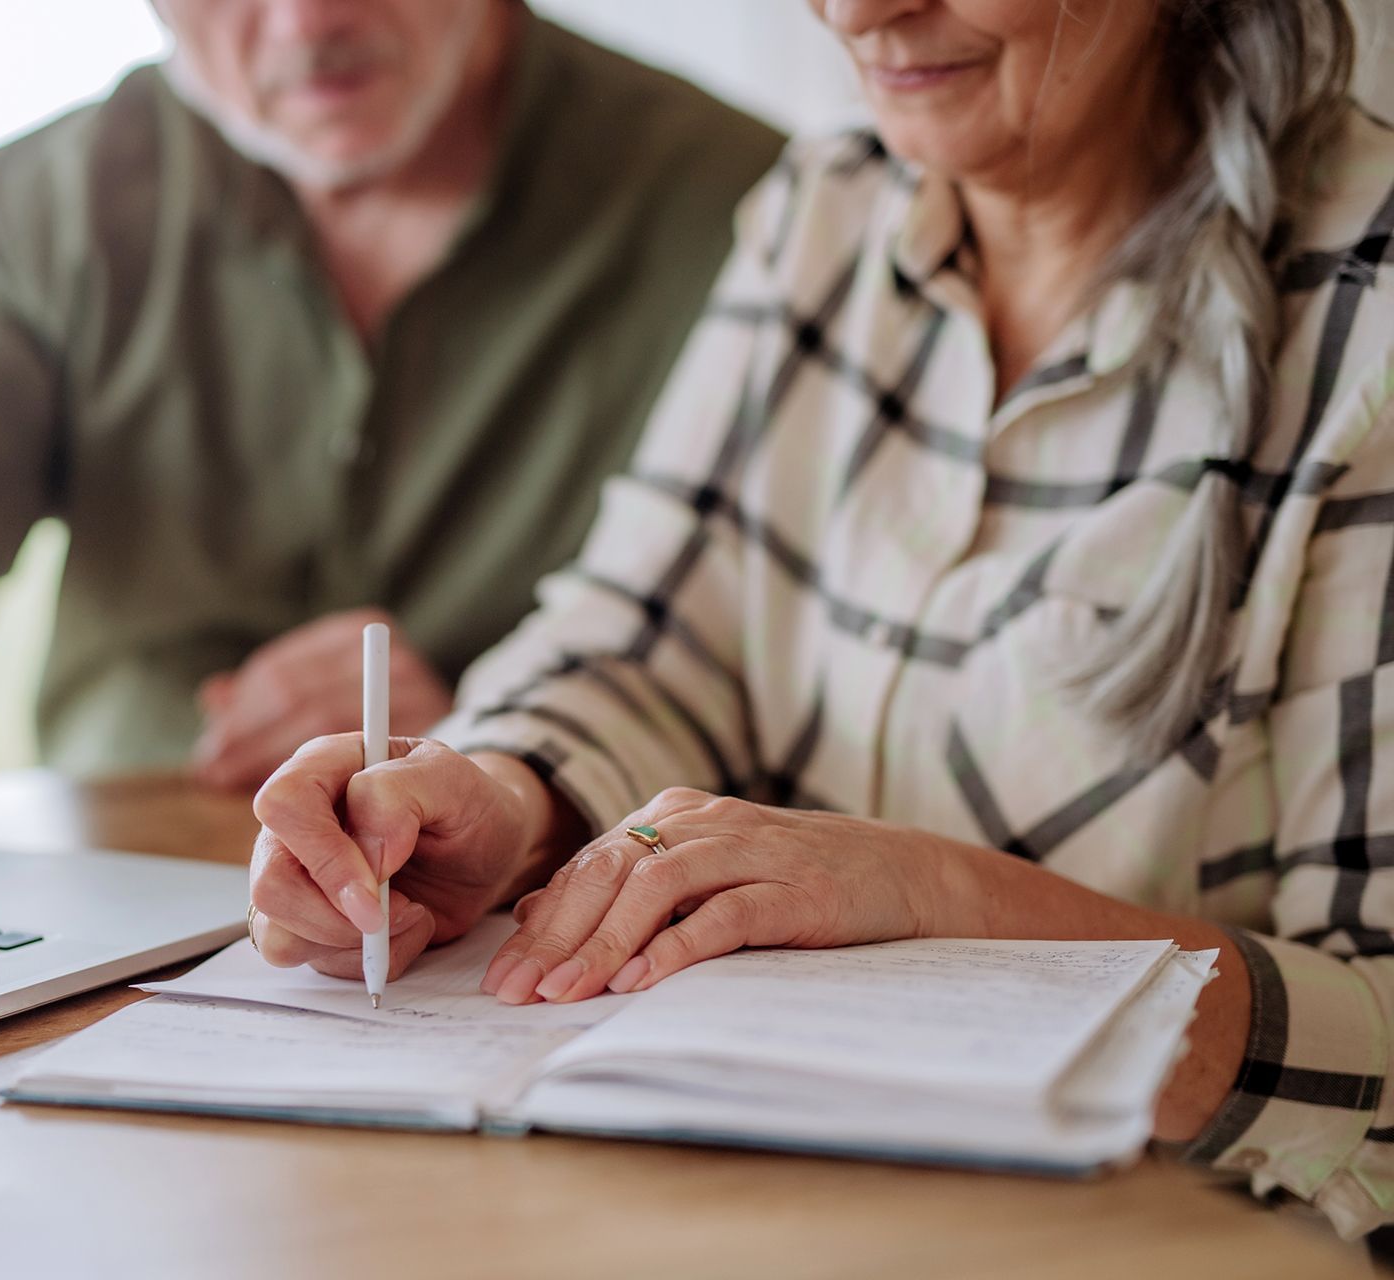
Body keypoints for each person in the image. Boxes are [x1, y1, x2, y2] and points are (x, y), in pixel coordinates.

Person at [247, 0, 1394, 1238]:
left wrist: (943, 896)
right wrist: (499, 799)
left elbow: (1380, 1037)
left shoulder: (1366, 312)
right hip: (771, 1211)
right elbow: (640, 635)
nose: (856, 11)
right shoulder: (826, 203)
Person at [0, 0, 784, 913]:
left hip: (526, 930)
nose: (306, 22)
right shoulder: (52, 201)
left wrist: (498, 726)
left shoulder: (753, 210)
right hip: (97, 927)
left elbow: (791, 690)